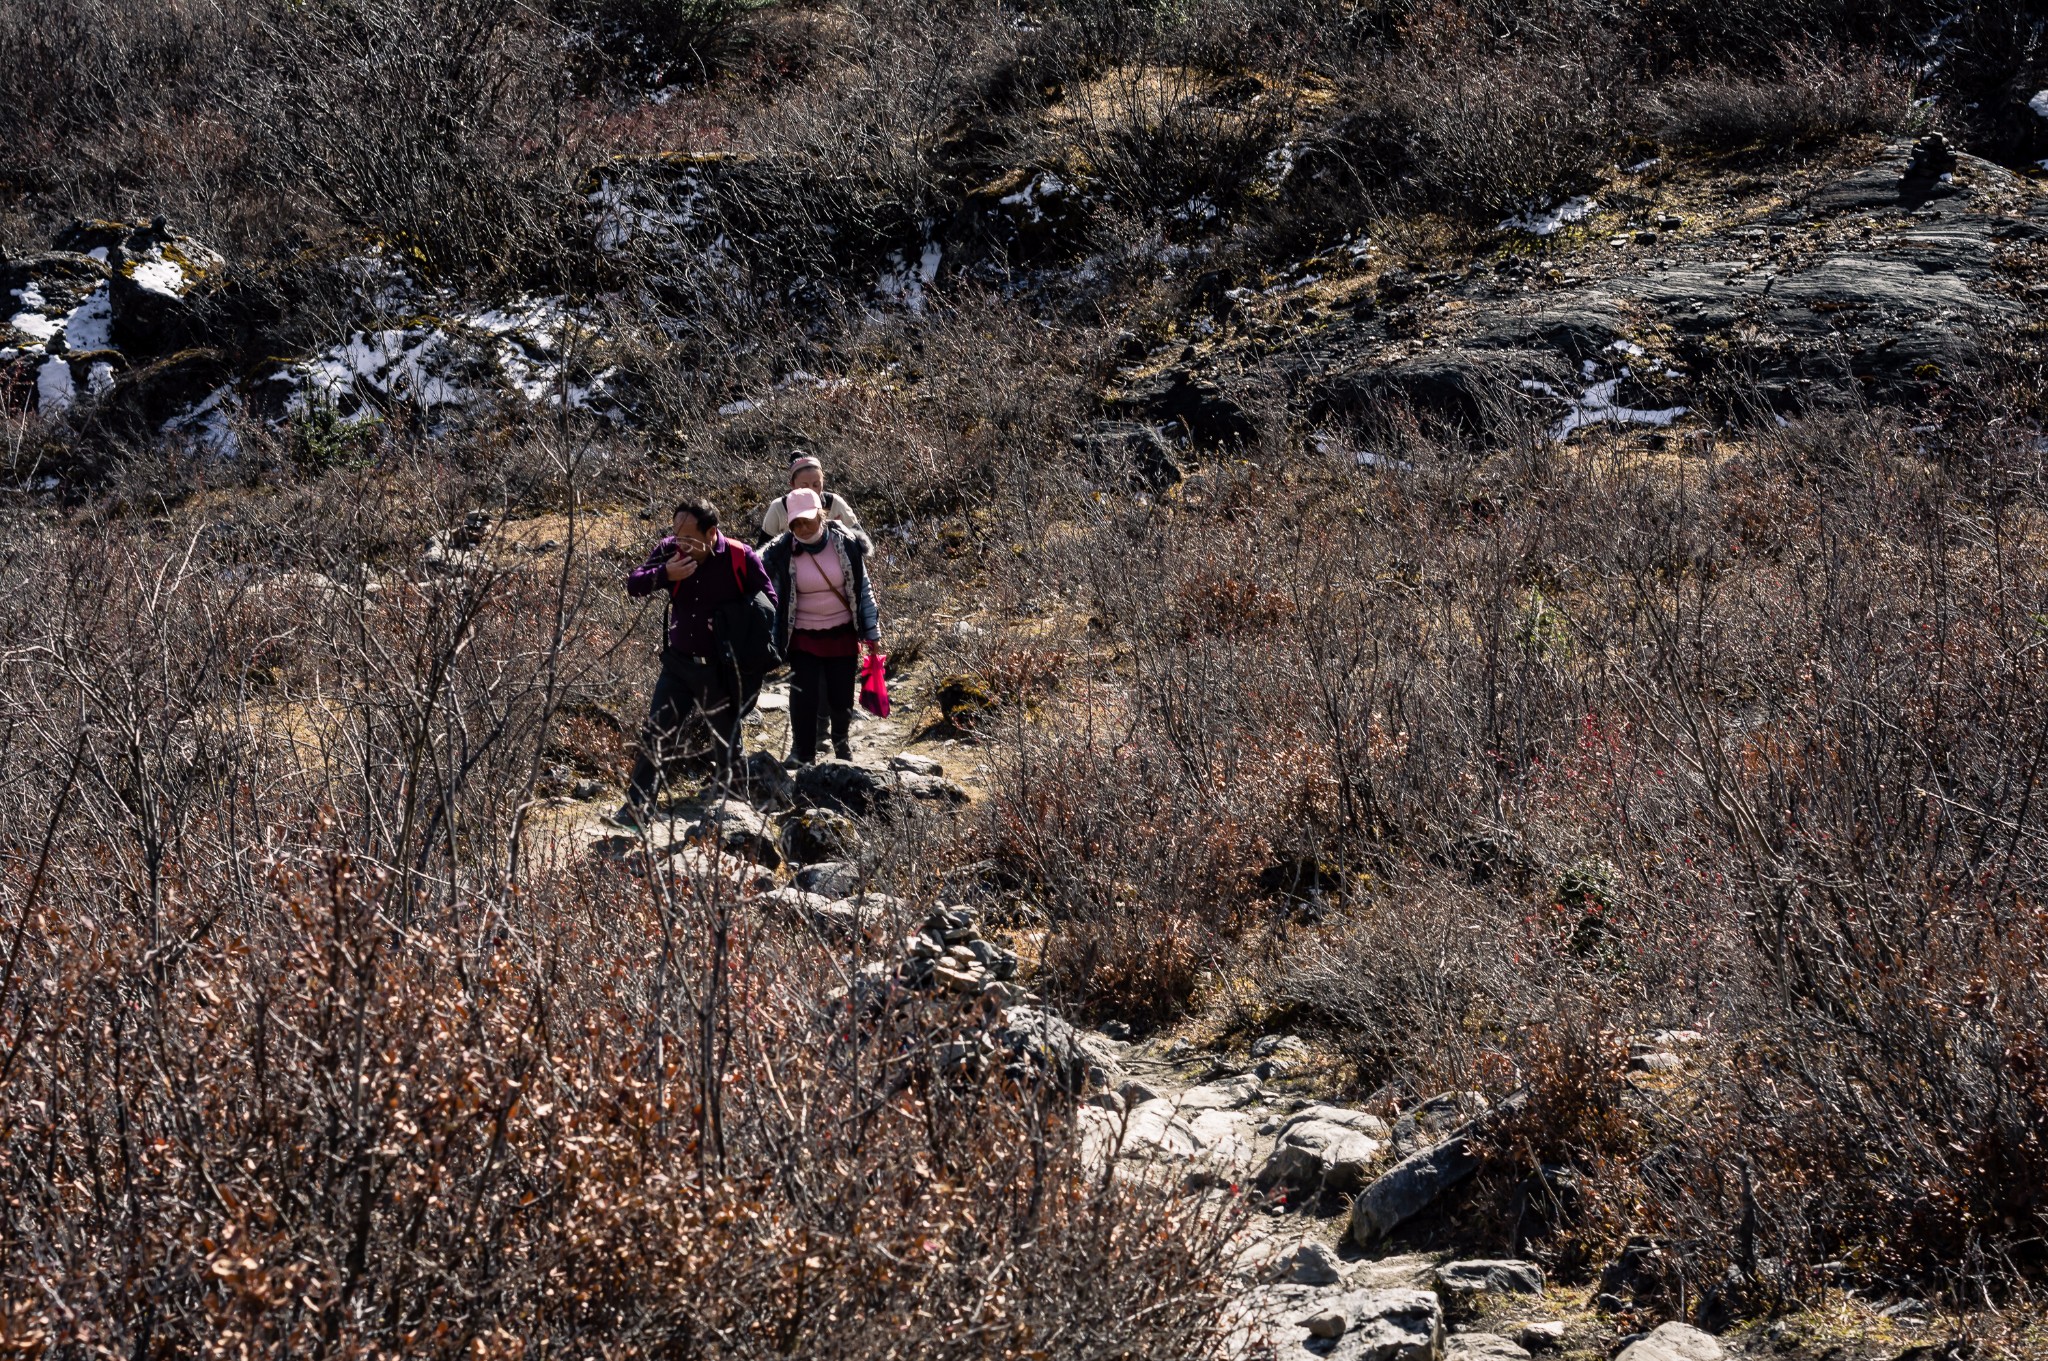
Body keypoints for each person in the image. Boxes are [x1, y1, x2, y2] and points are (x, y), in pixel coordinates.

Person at [610, 497, 776, 827]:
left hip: (720, 669)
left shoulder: (740, 556)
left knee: (726, 741)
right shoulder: (670, 551)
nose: (680, 543)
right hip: (678, 663)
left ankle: (735, 816)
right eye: (676, 534)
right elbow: (634, 583)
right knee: (657, 733)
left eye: (688, 537)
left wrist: (732, 620)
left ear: (711, 532)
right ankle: (636, 809)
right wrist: (664, 573)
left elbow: (769, 603)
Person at [760, 488, 881, 765]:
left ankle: (841, 743)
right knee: (803, 695)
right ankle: (803, 752)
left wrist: (871, 631)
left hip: (842, 633)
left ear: (821, 515)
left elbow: (863, 589)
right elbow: (769, 594)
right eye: (795, 523)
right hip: (802, 635)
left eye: (807, 520)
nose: (802, 528)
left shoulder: (847, 543)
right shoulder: (780, 552)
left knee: (840, 699)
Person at [761, 453, 865, 539]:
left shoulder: (835, 503)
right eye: (804, 486)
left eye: (816, 485)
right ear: (792, 485)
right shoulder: (778, 508)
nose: (811, 490)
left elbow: (860, 541)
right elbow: (763, 554)